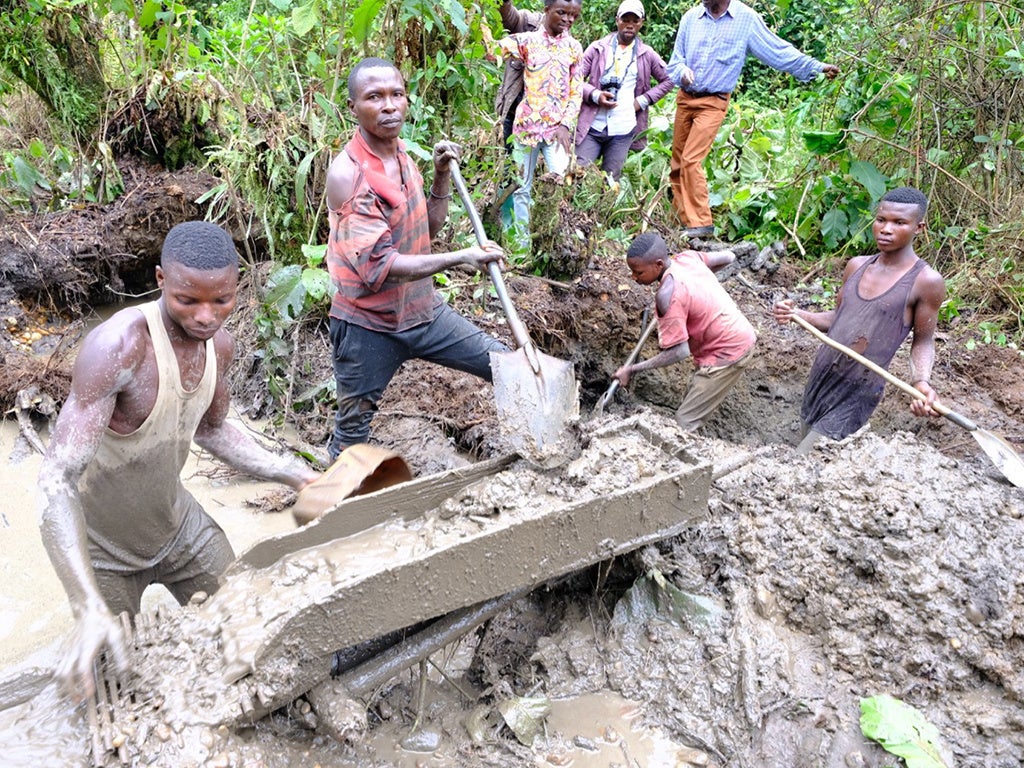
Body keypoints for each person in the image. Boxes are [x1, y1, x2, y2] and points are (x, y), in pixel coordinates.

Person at [36, 221, 321, 701]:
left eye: (222, 300)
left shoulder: (221, 348)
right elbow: (55, 479)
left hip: (178, 530)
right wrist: (84, 603)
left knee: (242, 622)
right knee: (111, 683)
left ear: (237, 289)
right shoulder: (119, 347)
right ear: (161, 279)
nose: (207, 316)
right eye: (188, 300)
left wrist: (293, 472)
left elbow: (211, 429)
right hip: (104, 550)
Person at [325, 57, 509, 459]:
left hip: (423, 312)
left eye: (397, 94)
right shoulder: (349, 175)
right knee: (352, 433)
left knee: (505, 367)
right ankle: (335, 507)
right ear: (353, 107)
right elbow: (381, 269)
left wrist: (441, 175)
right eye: (375, 97)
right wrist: (461, 258)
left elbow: (428, 231)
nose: (389, 105)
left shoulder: (403, 156)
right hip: (367, 326)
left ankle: (538, 445)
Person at [773, 187, 946, 453]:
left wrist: (920, 382)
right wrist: (798, 315)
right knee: (808, 465)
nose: (886, 229)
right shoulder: (856, 265)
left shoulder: (926, 281)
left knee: (804, 460)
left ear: (919, 228)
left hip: (857, 391)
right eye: (881, 220)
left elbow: (923, 341)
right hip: (820, 378)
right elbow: (838, 318)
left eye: (899, 223)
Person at [666, 0, 841, 238]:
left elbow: (777, 51)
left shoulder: (745, 19)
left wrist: (816, 67)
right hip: (685, 98)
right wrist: (681, 72)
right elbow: (675, 62)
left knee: (690, 160)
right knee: (677, 164)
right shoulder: (690, 18)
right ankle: (681, 221)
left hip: (713, 102)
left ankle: (701, 224)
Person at [614, 231, 757, 430]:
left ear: (658, 265)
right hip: (735, 331)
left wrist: (632, 369)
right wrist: (699, 286)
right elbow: (729, 257)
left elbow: (680, 351)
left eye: (638, 272)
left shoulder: (667, 296)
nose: (634, 278)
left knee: (684, 422)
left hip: (728, 351)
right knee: (694, 395)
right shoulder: (687, 259)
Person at [485, 0, 584, 242]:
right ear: (546, 9)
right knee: (521, 187)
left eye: (573, 15)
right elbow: (493, 52)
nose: (568, 20)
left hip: (555, 133)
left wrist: (565, 125)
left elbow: (576, 91)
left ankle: (553, 241)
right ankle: (521, 244)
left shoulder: (574, 48)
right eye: (562, 13)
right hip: (525, 130)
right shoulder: (528, 41)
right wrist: (481, 24)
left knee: (559, 184)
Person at [574, 0, 674, 180]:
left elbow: (669, 79)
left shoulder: (647, 54)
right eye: (625, 19)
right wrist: (595, 95)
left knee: (611, 181)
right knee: (578, 173)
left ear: (641, 22)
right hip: (593, 126)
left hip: (623, 129)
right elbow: (574, 79)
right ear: (616, 20)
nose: (630, 25)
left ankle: (603, 209)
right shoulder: (597, 48)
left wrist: (641, 101)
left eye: (635, 21)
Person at [496, 0, 544, 152]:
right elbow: (509, 16)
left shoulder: (567, 43)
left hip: (541, 120)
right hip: (513, 110)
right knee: (508, 162)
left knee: (529, 167)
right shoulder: (528, 22)